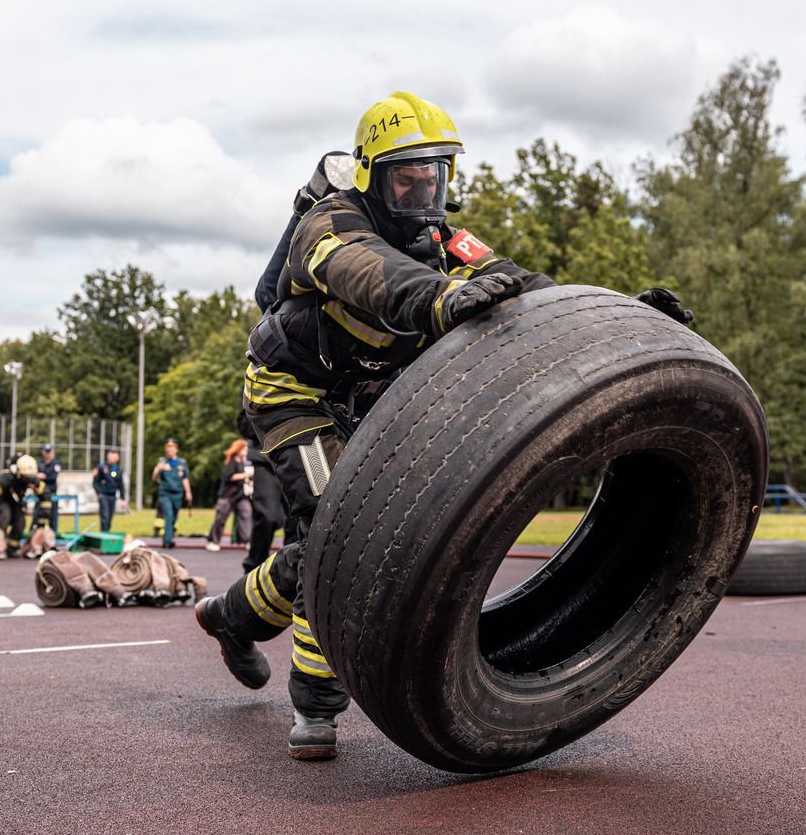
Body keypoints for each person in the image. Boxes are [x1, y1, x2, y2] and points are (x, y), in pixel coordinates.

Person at [194, 91, 566, 761]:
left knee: (341, 540)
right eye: (406, 179)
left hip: (366, 398)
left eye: (434, 177)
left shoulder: (444, 240)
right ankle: (315, 706)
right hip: (293, 392)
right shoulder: (329, 225)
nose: (423, 193)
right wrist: (442, 296)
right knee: (334, 532)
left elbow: (516, 283)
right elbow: (371, 272)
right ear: (371, 176)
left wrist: (616, 315)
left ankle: (233, 616)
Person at [206, 439, 255, 552]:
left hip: (241, 496)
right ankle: (213, 541)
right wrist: (245, 475)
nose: (246, 451)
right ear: (238, 449)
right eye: (244, 449)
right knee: (221, 519)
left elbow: (246, 478)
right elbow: (230, 476)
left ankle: (248, 540)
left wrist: (249, 481)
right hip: (227, 496)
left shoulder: (244, 463)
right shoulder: (231, 462)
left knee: (246, 514)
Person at [241, 447, 282, 574]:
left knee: (297, 521)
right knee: (267, 518)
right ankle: (253, 571)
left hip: (301, 455)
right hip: (267, 458)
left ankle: (294, 574)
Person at [151, 438, 192, 549]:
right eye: (167, 447)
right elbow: (154, 478)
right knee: (168, 515)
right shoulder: (162, 462)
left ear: (176, 449)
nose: (169, 450)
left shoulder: (181, 463)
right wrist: (158, 469)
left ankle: (169, 537)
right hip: (165, 493)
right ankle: (167, 541)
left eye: (172, 447)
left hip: (178, 493)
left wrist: (188, 492)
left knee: (174, 516)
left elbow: (185, 478)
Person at [91, 449, 125, 532]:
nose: (113, 459)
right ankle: (104, 534)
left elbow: (120, 484)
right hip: (103, 496)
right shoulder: (101, 467)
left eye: (115, 457)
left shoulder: (117, 469)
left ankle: (107, 532)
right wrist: (99, 493)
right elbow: (95, 482)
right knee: (104, 516)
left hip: (113, 496)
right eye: (111, 456)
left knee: (110, 517)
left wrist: (123, 498)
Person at [33, 444, 63, 536]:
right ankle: (36, 534)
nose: (48, 454)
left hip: (51, 493)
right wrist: (43, 476)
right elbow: (36, 476)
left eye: (49, 452)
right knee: (37, 514)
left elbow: (53, 477)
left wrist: (44, 476)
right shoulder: (40, 463)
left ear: (52, 452)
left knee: (52, 515)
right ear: (43, 452)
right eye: (46, 452)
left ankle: (53, 534)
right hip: (40, 494)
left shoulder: (56, 464)